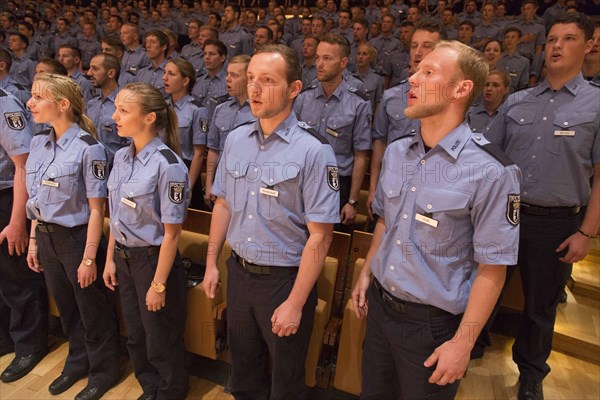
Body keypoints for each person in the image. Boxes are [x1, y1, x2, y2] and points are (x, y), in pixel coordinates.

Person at [352, 40, 521, 400]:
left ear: (462, 89)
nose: (412, 77)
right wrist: (367, 272)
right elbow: (385, 221)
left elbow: (493, 269)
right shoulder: (399, 152)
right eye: (416, 70)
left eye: (428, 72)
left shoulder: (491, 171)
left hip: (432, 324)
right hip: (381, 309)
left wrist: (463, 342)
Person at [203, 44, 339, 400]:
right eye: (250, 79)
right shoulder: (235, 138)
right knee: (243, 372)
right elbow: (222, 204)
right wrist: (212, 263)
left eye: (267, 80)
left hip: (284, 280)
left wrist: (295, 303)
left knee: (286, 379)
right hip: (240, 273)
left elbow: (321, 237)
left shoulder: (314, 150)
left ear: (294, 89)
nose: (255, 89)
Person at [486, 13, 599, 400]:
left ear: (588, 46)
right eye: (552, 38)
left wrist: (586, 232)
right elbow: (487, 158)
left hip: (556, 222)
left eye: (568, 39)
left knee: (539, 306)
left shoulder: (596, 104)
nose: (556, 45)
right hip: (506, 215)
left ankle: (531, 373)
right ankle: (470, 346)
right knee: (484, 288)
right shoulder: (517, 101)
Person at [25, 73, 121, 400]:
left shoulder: (89, 148)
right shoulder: (39, 142)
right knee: (68, 309)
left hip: (78, 239)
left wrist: (89, 257)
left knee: (93, 311)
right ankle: (77, 361)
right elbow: (38, 197)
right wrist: (35, 241)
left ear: (62, 104)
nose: (30, 103)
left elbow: (97, 210)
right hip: (48, 238)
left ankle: (104, 370)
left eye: (38, 97)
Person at [103, 82, 190, 400]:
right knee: (137, 336)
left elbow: (172, 233)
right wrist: (111, 258)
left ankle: (170, 392)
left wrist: (158, 284)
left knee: (160, 337)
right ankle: (150, 388)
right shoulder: (122, 157)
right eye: (116, 108)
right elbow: (115, 215)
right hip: (125, 258)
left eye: (124, 111)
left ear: (150, 117)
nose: (115, 116)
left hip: (153, 260)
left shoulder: (168, 166)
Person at [294, 34, 372, 232]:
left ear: (343, 63)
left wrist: (353, 201)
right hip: (302, 180)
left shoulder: (358, 102)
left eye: (327, 58)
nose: (319, 63)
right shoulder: (304, 98)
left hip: (337, 184)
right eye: (318, 57)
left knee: (329, 247)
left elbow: (361, 155)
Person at [0, 88, 49, 383]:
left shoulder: (4, 104)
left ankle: (29, 345)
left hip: (8, 196)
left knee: (17, 276)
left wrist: (18, 220)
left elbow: (22, 164)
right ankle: (4, 338)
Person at [205, 54, 253, 208]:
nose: (228, 79)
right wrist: (209, 183)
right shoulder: (221, 109)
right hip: (222, 181)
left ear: (248, 79)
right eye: (227, 74)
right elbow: (213, 150)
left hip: (248, 183)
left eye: (234, 75)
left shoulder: (258, 112)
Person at [163, 58, 209, 210]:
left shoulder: (196, 109)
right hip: (162, 168)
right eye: (164, 73)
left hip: (185, 170)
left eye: (171, 74)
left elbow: (199, 153)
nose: (165, 78)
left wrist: (187, 187)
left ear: (185, 81)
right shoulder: (162, 107)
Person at [86, 53, 130, 162]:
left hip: (116, 168)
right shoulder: (92, 104)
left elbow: (133, 143)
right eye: (90, 68)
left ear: (111, 73)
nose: (89, 73)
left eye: (95, 69)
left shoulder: (127, 104)